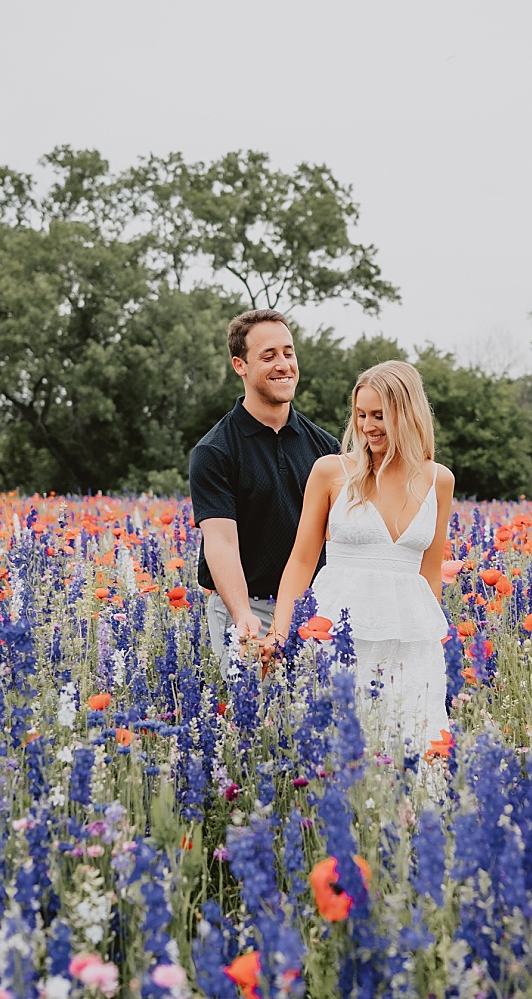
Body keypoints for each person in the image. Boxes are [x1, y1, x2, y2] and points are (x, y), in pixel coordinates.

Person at [269, 360, 455, 756]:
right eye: (361, 415)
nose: (368, 426)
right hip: (338, 633)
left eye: (380, 415)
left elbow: (430, 572)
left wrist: (431, 644)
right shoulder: (331, 472)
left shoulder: (439, 479)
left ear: (407, 415)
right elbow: (302, 561)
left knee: (415, 752)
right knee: (337, 751)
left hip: (410, 642)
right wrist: (280, 632)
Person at [190, 309, 344, 671]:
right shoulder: (215, 451)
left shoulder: (325, 447)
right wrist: (243, 615)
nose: (284, 365)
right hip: (248, 608)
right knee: (250, 721)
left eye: (288, 353)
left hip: (312, 607)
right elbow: (221, 542)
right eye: (269, 355)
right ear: (240, 365)